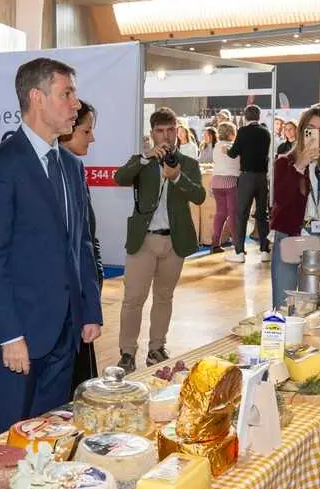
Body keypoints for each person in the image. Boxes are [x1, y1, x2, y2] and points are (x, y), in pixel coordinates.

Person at [0, 58, 102, 440]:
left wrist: (89, 310)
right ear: (37, 98)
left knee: (49, 442)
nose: (76, 105)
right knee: (6, 446)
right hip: (17, 339)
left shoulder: (71, 167)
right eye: (67, 94)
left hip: (64, 334)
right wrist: (10, 335)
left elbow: (79, 244)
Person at [114, 107, 206, 372]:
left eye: (170, 130)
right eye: (160, 131)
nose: (165, 136)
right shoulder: (142, 161)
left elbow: (199, 196)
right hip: (143, 240)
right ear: (152, 134)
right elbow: (120, 177)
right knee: (133, 298)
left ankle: (156, 348)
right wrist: (144, 159)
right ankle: (127, 353)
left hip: (174, 241)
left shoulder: (188, 164)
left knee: (164, 297)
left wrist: (176, 176)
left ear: (177, 132)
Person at [269, 106, 320, 309]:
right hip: (291, 237)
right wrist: (299, 166)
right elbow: (281, 200)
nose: (316, 134)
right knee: (284, 305)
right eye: (311, 128)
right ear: (302, 130)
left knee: (315, 308)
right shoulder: (284, 163)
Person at [60, 100, 103, 390]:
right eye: (86, 131)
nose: (92, 137)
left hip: (80, 302)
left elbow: (87, 238)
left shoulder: (75, 170)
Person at [225, 104, 271, 263]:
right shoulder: (266, 132)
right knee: (262, 214)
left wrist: (227, 150)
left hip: (247, 177)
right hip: (262, 177)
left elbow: (233, 153)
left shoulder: (243, 132)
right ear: (259, 116)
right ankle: (265, 250)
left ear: (245, 117)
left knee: (242, 214)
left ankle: (239, 252)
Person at [208, 121, 239, 253]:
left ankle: (215, 244)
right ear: (231, 133)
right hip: (230, 181)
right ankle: (238, 244)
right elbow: (238, 166)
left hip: (216, 182)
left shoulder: (216, 146)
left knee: (220, 214)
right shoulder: (233, 147)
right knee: (233, 214)